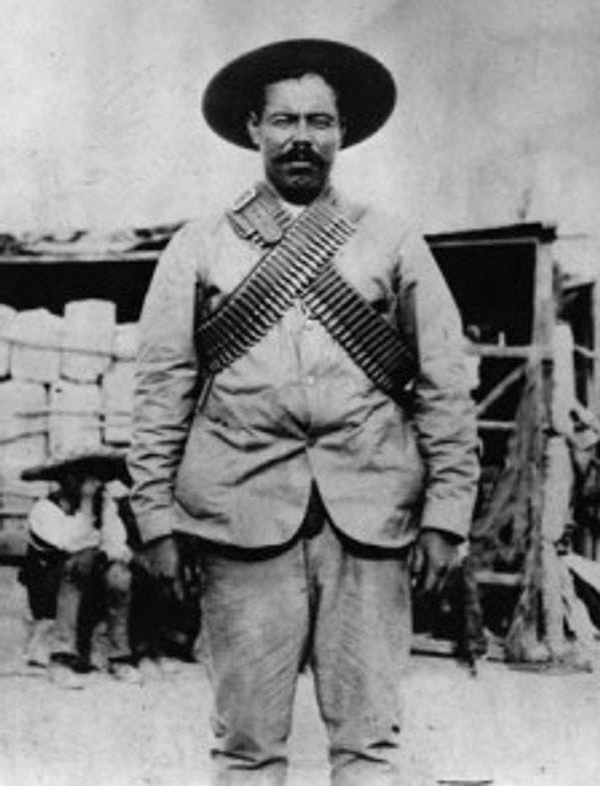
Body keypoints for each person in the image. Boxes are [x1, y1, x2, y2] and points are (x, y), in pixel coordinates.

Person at [128, 39, 480, 785]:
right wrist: (155, 520)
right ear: (253, 128)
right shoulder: (200, 245)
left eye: (319, 121)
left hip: (373, 518)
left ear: (341, 132)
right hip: (239, 518)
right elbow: (162, 388)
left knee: (369, 747)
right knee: (246, 749)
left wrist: (448, 516)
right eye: (284, 120)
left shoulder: (392, 240)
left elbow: (444, 385)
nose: (301, 138)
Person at [19, 449, 139, 687]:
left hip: (89, 588)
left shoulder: (105, 506)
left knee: (119, 573)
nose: (91, 484)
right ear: (66, 479)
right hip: (50, 590)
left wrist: (113, 552)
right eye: (82, 476)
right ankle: (61, 657)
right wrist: (86, 506)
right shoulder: (45, 509)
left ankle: (119, 657)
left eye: (95, 476)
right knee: (82, 559)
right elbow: (71, 544)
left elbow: (115, 543)